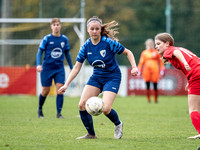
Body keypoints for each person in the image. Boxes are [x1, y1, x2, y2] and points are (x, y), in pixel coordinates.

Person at [58, 16, 138, 139]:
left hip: (112, 77)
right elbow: (76, 68)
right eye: (92, 29)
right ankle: (91, 134)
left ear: (100, 30)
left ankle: (118, 124)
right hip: (96, 77)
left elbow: (128, 52)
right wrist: (66, 84)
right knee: (82, 105)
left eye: (97, 29)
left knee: (105, 109)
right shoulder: (85, 47)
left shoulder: (109, 43)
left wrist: (134, 67)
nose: (94, 31)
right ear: (88, 30)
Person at [154, 32, 200, 139]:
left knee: (193, 109)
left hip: (196, 76)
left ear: (167, 43)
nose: (156, 47)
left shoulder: (169, 50)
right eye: (155, 44)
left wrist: (184, 63)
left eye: (158, 43)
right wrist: (189, 80)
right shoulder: (180, 49)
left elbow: (176, 52)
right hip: (196, 75)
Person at [36, 18, 73, 119]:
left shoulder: (64, 39)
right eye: (54, 25)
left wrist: (71, 67)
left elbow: (67, 54)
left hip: (59, 68)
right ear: (51, 26)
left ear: (60, 26)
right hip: (47, 68)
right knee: (45, 91)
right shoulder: (47, 39)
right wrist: (38, 64)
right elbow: (40, 52)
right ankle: (40, 109)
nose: (56, 26)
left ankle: (59, 114)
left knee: (60, 89)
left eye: (58, 24)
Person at [138, 39, 165, 103]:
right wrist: (139, 71)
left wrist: (162, 70)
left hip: (155, 71)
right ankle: (148, 99)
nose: (150, 45)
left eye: (151, 44)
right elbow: (141, 63)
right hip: (146, 71)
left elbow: (161, 62)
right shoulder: (144, 53)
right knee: (147, 85)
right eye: (148, 44)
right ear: (146, 45)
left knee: (155, 85)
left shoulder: (156, 52)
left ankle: (155, 100)